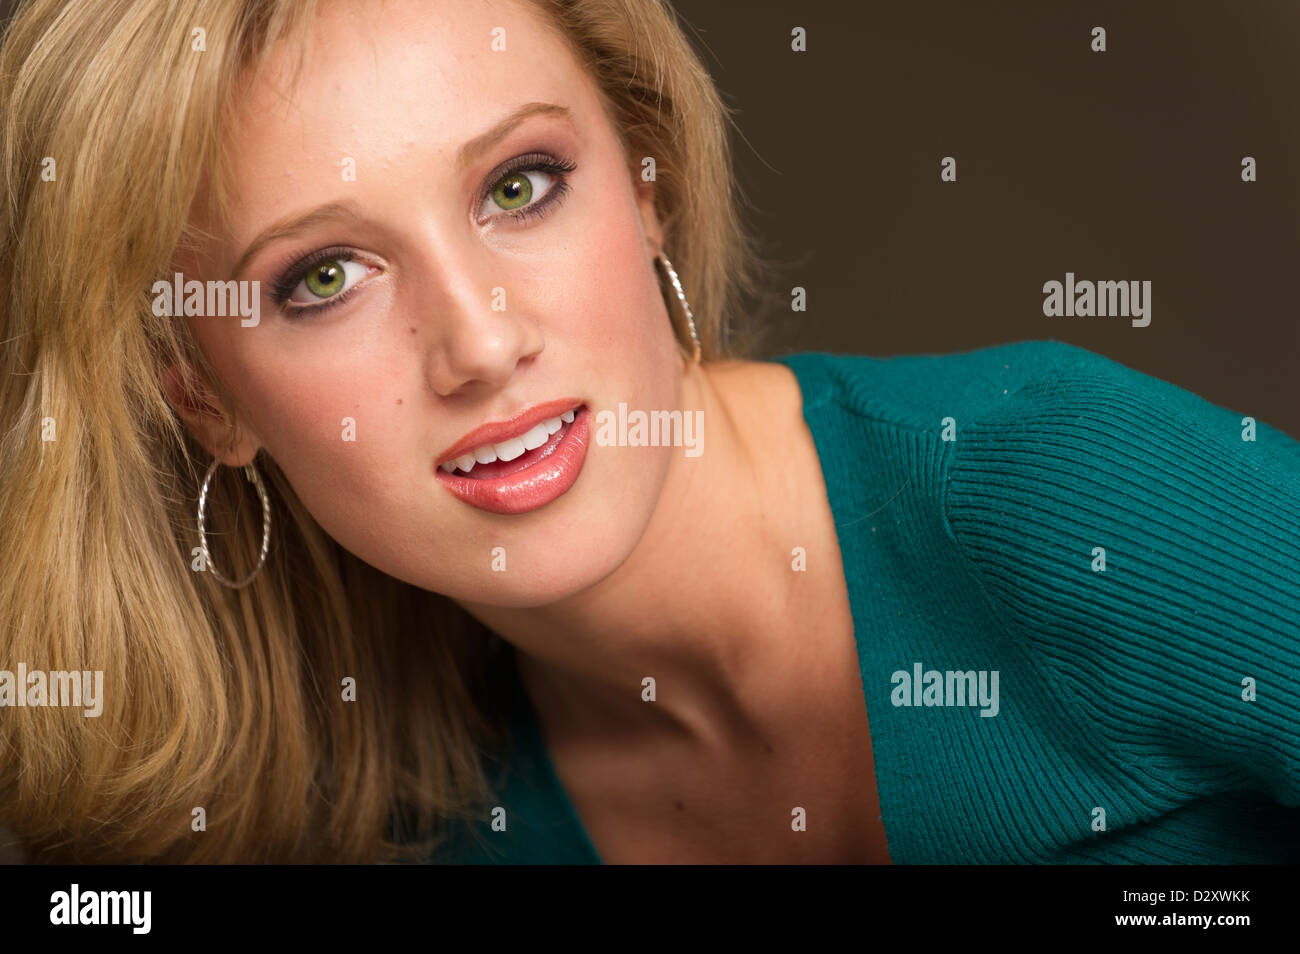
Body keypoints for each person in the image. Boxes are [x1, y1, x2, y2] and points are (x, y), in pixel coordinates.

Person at [0, 0, 1296, 866]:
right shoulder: (411, 821)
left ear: (649, 188)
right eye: (325, 276)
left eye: (520, 187)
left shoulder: (1075, 500)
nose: (483, 343)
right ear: (204, 398)